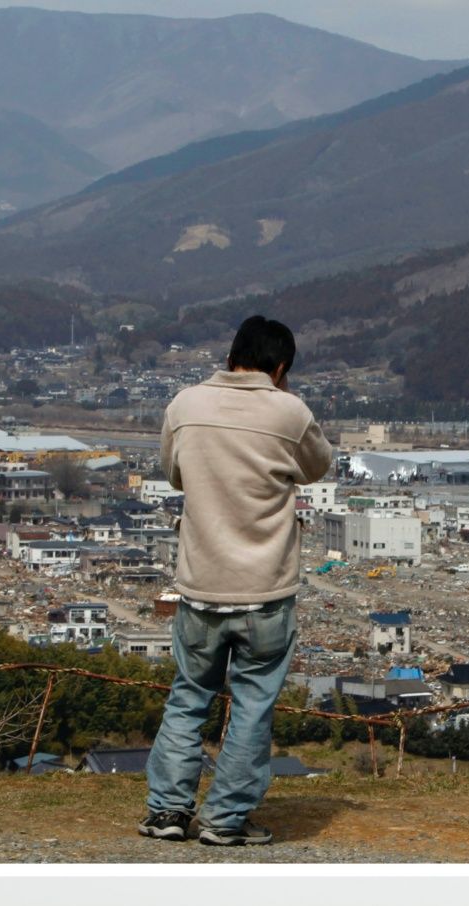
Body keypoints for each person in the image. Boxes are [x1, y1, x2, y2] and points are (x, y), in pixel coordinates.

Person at [139, 315, 333, 845]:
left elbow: (175, 473)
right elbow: (319, 467)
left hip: (201, 586)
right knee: (251, 706)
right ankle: (225, 821)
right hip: (265, 592)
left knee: (188, 697)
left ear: (230, 358)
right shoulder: (289, 412)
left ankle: (167, 813)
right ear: (281, 367)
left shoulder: (185, 405)